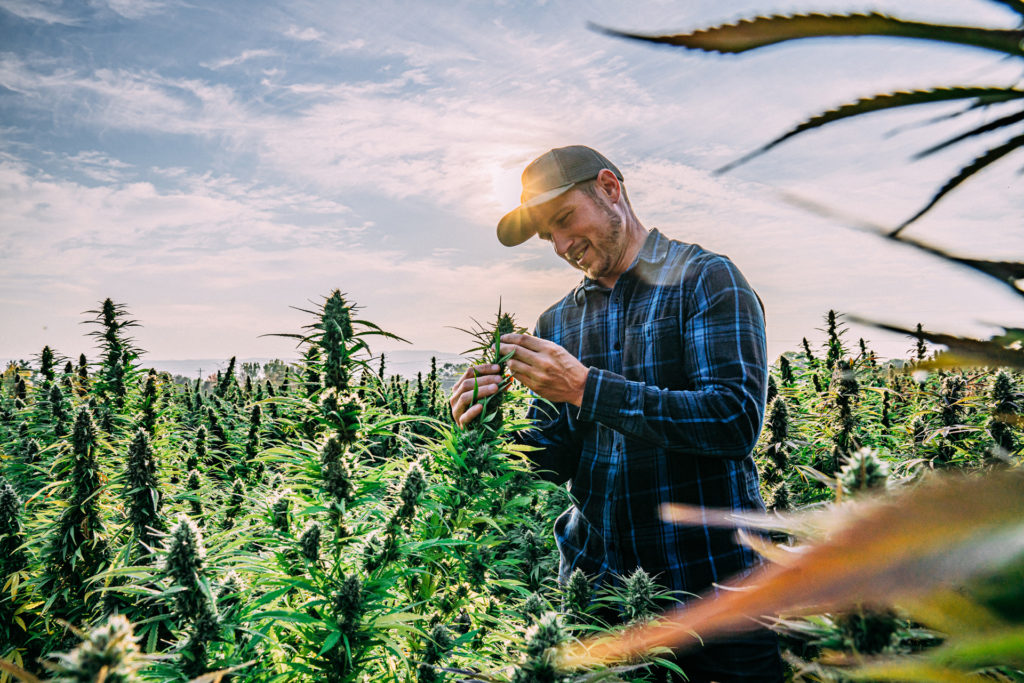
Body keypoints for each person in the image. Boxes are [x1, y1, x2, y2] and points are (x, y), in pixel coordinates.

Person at [449, 145, 784, 681]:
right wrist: (486, 425)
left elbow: (733, 421)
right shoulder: (558, 321)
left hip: (714, 596)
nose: (561, 245)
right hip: (598, 597)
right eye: (547, 237)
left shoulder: (706, 280)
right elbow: (551, 456)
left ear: (609, 188)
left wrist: (586, 389)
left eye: (564, 220)